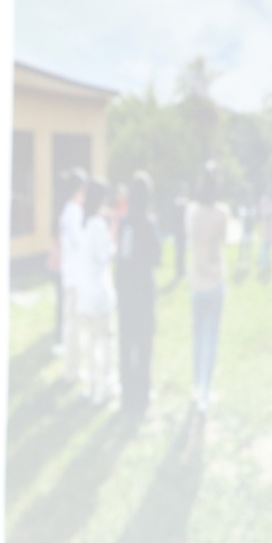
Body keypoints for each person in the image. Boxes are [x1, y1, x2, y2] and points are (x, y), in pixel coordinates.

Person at [116, 171, 162, 415]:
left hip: (126, 291)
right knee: (143, 345)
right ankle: (141, 395)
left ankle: (127, 394)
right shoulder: (148, 223)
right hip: (143, 291)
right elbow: (157, 258)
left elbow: (121, 257)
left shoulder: (125, 223)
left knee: (126, 344)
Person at [185, 164, 230, 413]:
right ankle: (205, 385)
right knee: (211, 337)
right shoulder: (221, 213)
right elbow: (223, 240)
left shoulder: (192, 212)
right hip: (215, 280)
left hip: (196, 280)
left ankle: (196, 385)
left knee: (198, 335)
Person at [72, 181, 117, 405]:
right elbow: (104, 255)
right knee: (104, 342)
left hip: (83, 292)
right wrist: (112, 240)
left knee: (90, 342)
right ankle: (104, 386)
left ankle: (90, 385)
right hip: (98, 292)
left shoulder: (82, 223)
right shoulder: (98, 225)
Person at [55, 169, 87, 373]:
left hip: (68, 271)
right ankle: (74, 367)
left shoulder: (66, 209)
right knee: (75, 322)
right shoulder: (75, 210)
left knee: (70, 320)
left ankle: (71, 366)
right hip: (76, 274)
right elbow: (79, 242)